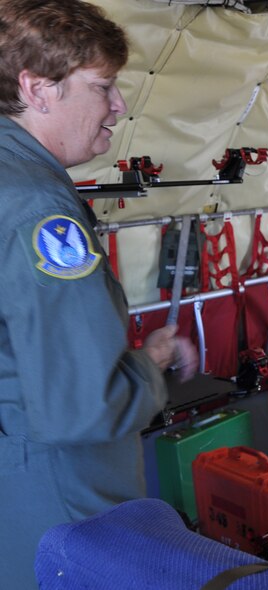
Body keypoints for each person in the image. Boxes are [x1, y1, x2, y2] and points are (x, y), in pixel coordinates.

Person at [0, 2, 198, 587]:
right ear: (38, 90)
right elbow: (84, 406)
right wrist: (154, 362)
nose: (119, 105)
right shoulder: (41, 210)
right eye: (103, 86)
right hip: (66, 506)